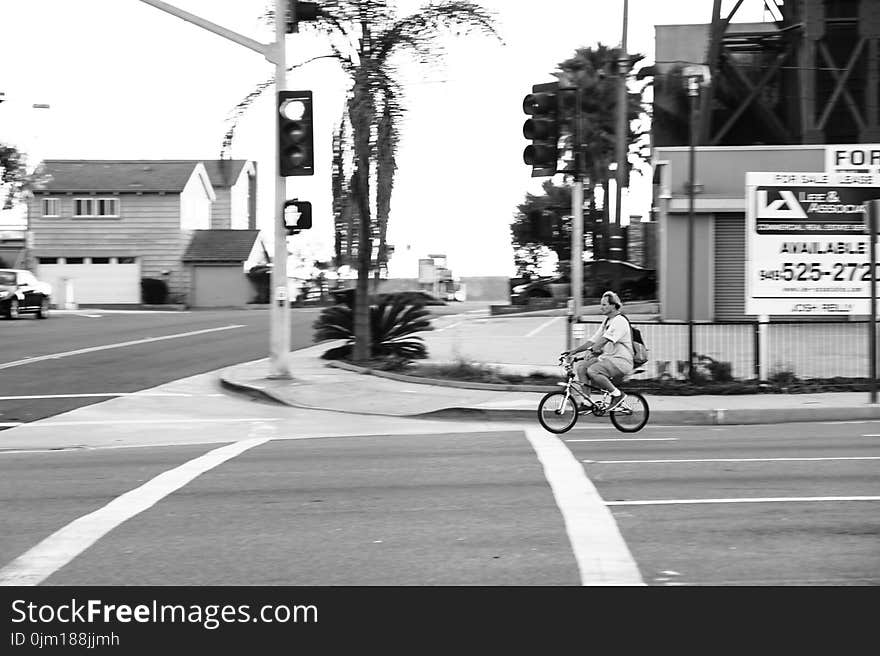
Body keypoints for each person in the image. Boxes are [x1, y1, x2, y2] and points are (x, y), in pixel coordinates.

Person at [564, 290, 634, 411]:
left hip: (622, 361)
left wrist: (591, 351)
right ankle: (587, 402)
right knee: (582, 368)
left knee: (593, 371)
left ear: (613, 306)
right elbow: (593, 340)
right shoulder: (607, 321)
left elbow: (604, 340)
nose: (601, 308)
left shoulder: (620, 321)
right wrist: (574, 351)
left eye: (604, 305)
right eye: (601, 304)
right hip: (609, 359)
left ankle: (617, 395)